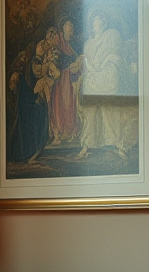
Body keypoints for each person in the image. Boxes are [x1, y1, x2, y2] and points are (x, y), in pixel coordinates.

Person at [74, 10, 138, 161]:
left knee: (109, 108)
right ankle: (88, 143)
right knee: (91, 109)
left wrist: (103, 63)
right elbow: (89, 63)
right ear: (92, 24)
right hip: (93, 77)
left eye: (101, 19)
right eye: (96, 20)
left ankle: (116, 142)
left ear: (104, 22)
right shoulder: (88, 43)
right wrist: (90, 66)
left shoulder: (112, 35)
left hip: (107, 75)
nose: (98, 22)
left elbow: (115, 54)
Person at [48, 17, 81, 145]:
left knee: (70, 104)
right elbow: (55, 58)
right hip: (60, 78)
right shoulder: (58, 42)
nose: (70, 28)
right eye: (68, 25)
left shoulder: (73, 43)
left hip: (71, 78)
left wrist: (77, 63)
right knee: (59, 103)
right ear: (63, 27)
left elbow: (78, 58)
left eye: (71, 26)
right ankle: (61, 132)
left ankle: (71, 131)